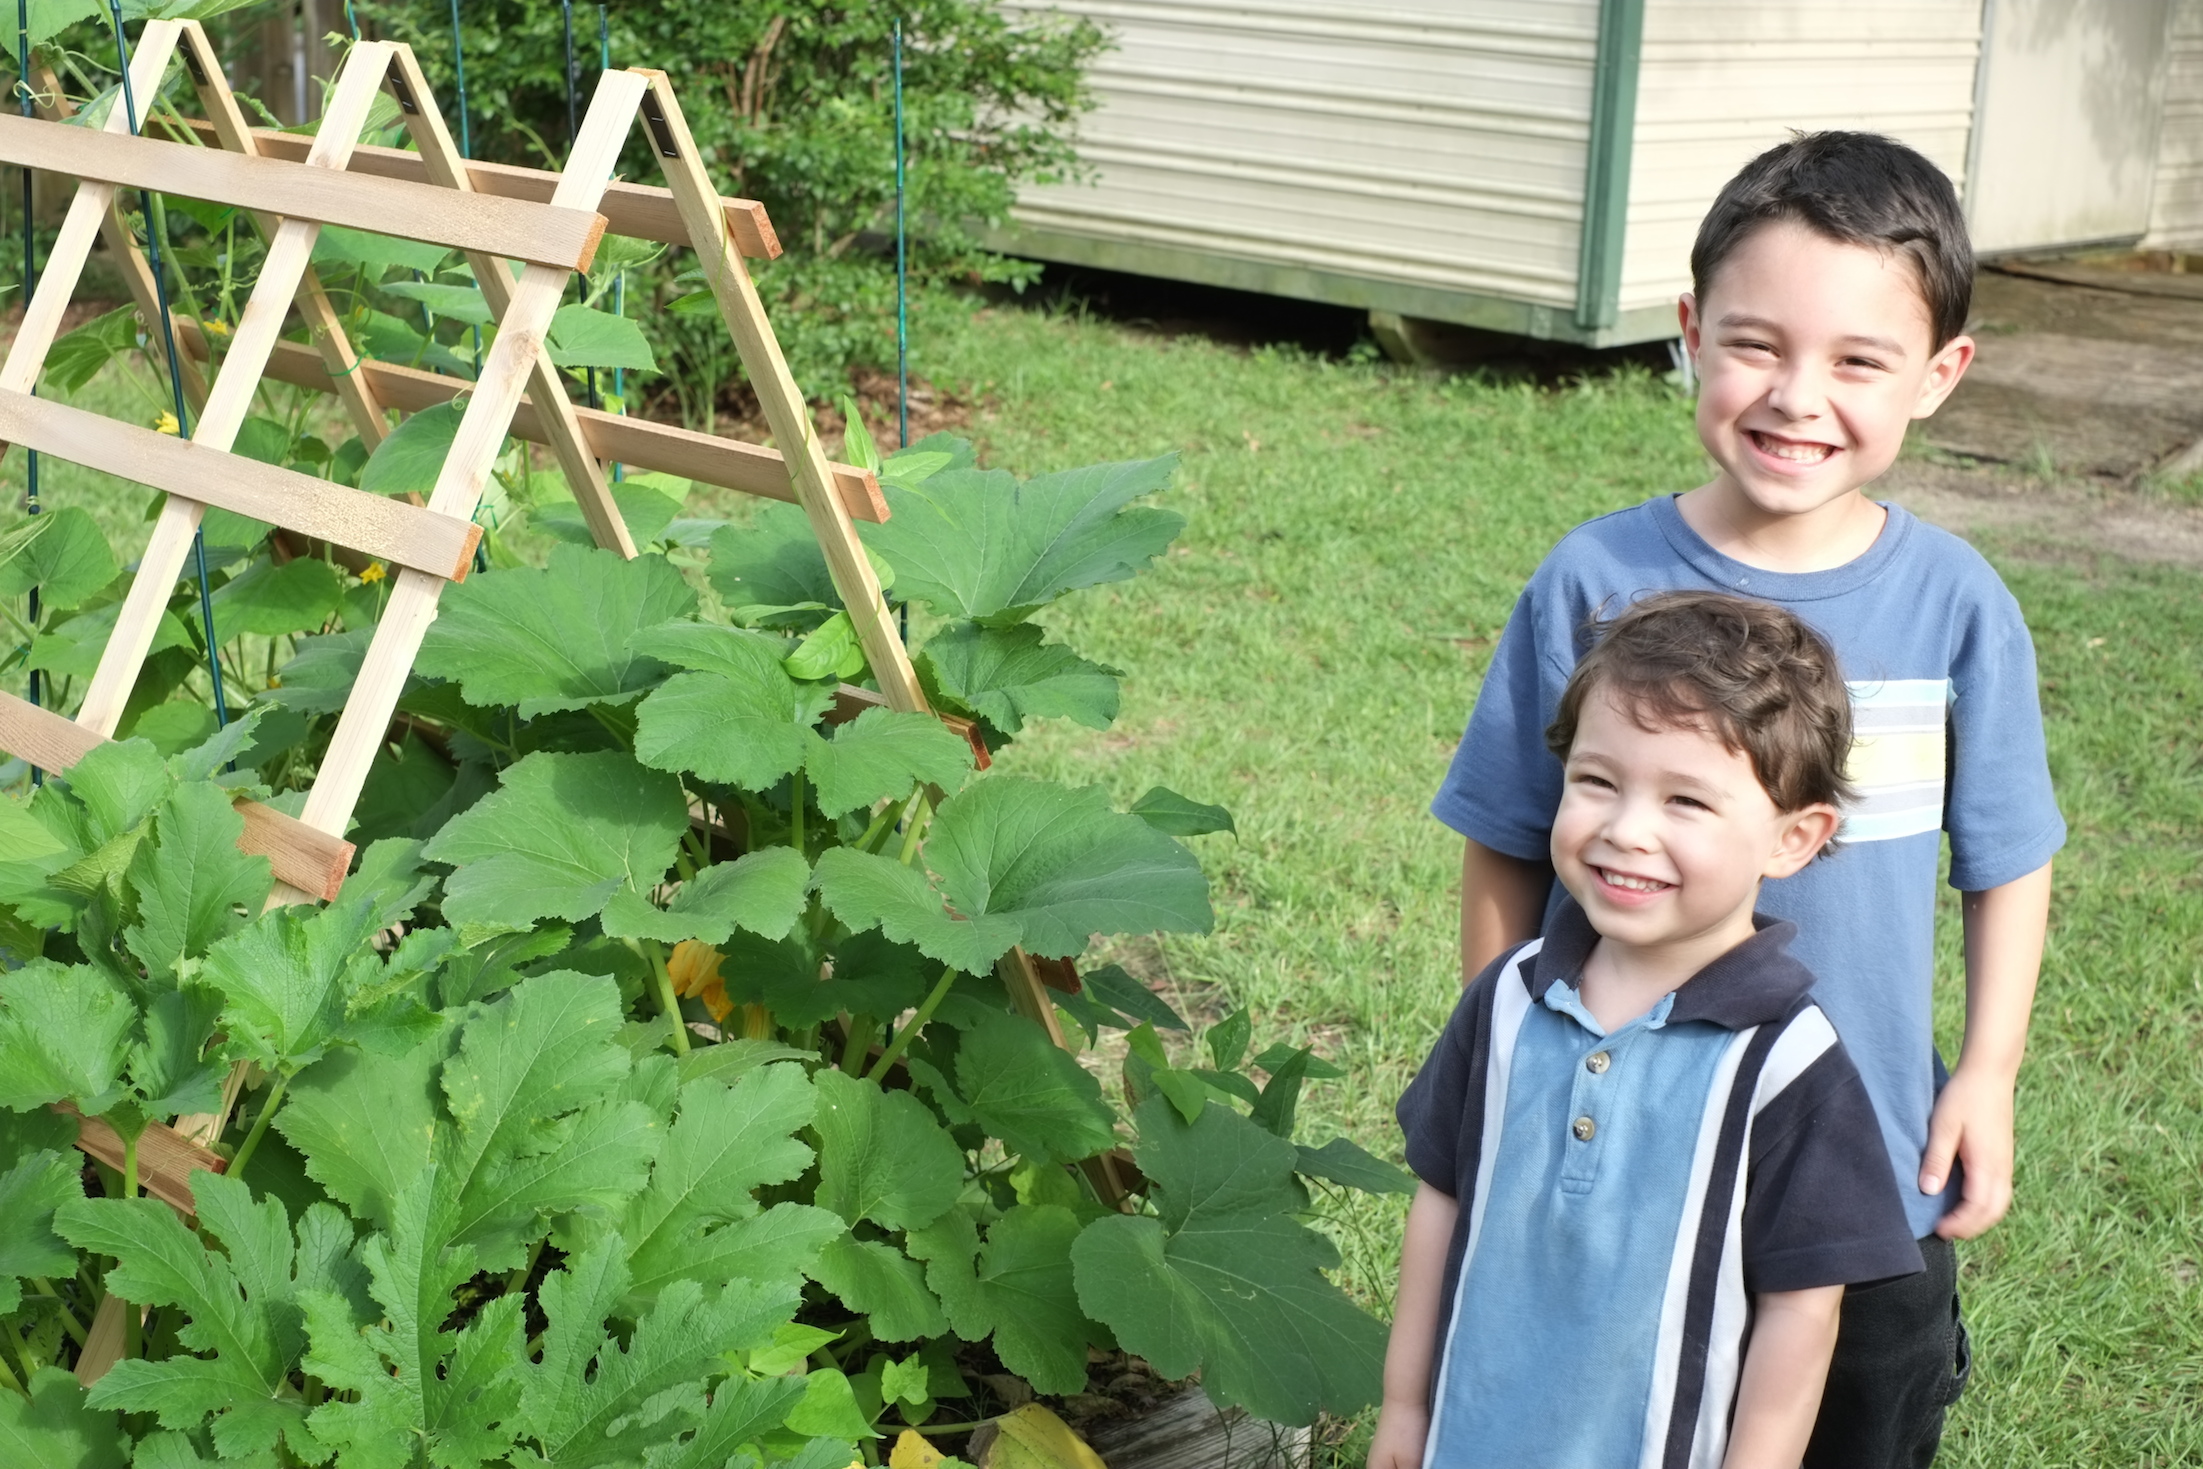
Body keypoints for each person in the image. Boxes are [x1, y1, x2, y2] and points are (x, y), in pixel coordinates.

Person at [1425, 132, 2064, 1466]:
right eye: (1754, 344)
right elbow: (1500, 839)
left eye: (1855, 361)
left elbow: (2002, 856)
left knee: (1856, 1421)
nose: (1794, 397)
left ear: (1939, 375)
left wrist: (1987, 1071)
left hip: (1867, 1153)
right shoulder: (1594, 575)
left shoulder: (1953, 607)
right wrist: (1503, 1064)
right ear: (1688, 334)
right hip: (1623, 1146)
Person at [1375, 591, 1923, 1469]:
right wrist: (1404, 1410)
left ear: (1793, 837)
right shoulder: (1507, 997)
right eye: (1597, 782)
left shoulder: (1785, 1062)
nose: (1626, 830)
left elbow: (1802, 1309)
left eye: (1685, 802)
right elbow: (1440, 1203)